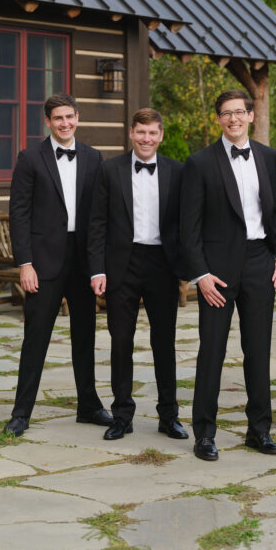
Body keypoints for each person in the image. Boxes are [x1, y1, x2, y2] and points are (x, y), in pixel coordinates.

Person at [180, 89, 276, 461]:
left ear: (251, 116)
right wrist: (201, 275)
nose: (234, 119)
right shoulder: (200, 163)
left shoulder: (269, 157)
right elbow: (187, 228)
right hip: (218, 271)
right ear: (219, 118)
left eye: (240, 112)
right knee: (212, 351)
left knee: (258, 351)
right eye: (227, 113)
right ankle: (204, 435)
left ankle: (259, 431)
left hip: (260, 261)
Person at [4, 93, 110, 437]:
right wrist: (25, 263)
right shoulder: (30, 158)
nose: (65, 123)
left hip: (82, 261)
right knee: (35, 338)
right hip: (43, 261)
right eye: (58, 118)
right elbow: (18, 214)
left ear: (78, 117)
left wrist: (99, 266)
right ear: (48, 122)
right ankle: (21, 413)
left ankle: (89, 406)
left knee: (85, 336)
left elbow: (99, 216)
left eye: (70, 117)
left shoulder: (94, 158)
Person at [88, 108, 188, 442]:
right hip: (121, 264)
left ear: (161, 135)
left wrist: (188, 268)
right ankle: (122, 416)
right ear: (131, 133)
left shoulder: (177, 171)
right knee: (120, 342)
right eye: (141, 132)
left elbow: (187, 223)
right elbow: (97, 223)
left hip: (162, 264)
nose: (147, 139)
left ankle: (168, 415)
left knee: (165, 342)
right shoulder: (109, 169)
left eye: (153, 133)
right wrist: (97, 268)